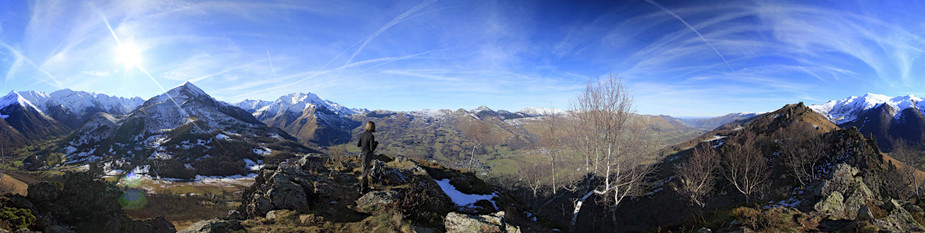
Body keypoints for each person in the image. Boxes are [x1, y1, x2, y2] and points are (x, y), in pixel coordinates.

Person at [356, 121, 378, 193]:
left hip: (363, 154)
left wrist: (364, 145)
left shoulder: (363, 134)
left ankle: (364, 187)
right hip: (368, 155)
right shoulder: (371, 136)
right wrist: (376, 144)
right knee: (365, 172)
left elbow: (358, 145)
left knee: (364, 170)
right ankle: (363, 189)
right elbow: (372, 149)